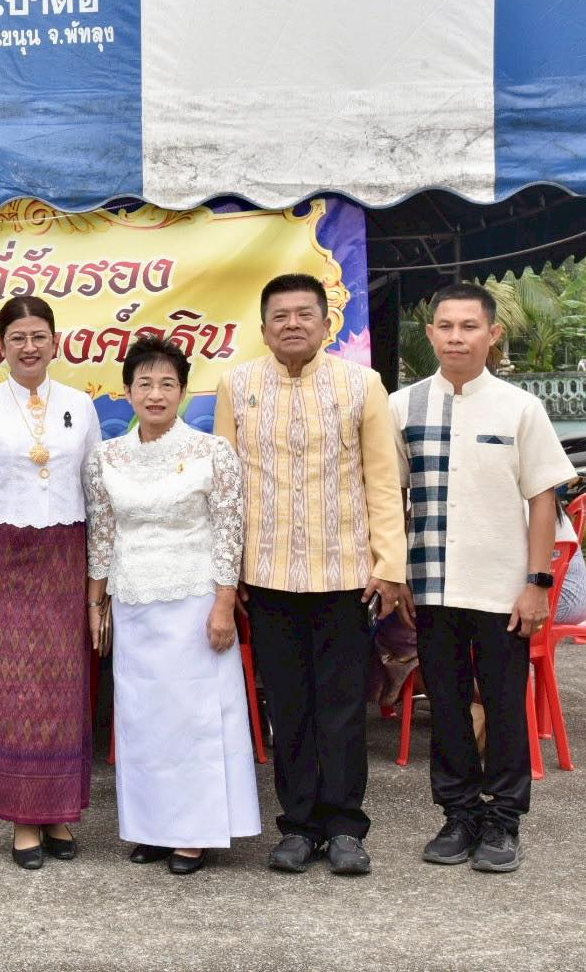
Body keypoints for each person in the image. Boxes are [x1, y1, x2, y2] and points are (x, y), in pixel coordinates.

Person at [212, 273, 407, 876]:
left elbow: (383, 480)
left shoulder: (361, 384)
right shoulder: (237, 385)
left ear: (328, 324)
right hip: (266, 576)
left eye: (304, 314)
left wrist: (390, 565)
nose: (292, 324)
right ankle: (297, 826)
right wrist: (228, 571)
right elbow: (225, 487)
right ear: (264, 327)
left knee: (344, 706)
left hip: (347, 575)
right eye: (280, 316)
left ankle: (346, 826)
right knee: (288, 706)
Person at [391, 283, 574, 873]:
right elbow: (390, 497)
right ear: (430, 334)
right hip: (432, 588)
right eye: (445, 326)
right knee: (443, 707)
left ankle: (503, 822)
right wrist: (397, 576)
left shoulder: (520, 407)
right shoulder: (403, 407)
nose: (456, 337)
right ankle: (458, 815)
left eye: (469, 326)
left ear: (492, 335)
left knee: (502, 705)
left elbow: (543, 498)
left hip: (503, 592)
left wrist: (537, 582)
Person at [86, 336, 261, 874]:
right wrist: (97, 602)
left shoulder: (213, 453)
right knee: (142, 720)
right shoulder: (105, 457)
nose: (156, 394)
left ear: (184, 391)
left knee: (195, 719)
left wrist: (224, 603)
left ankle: (194, 833)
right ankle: (152, 829)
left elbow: (230, 531)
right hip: (135, 601)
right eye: (145, 384)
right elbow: (102, 533)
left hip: (195, 602)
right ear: (127, 391)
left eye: (168, 384)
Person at [0, 295, 99, 869]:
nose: (29, 346)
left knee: (61, 693)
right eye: (18, 337)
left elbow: (94, 491)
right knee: (11, 694)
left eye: (39, 336)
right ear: (1, 346)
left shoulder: (80, 407)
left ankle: (57, 811)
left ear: (55, 342)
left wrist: (96, 578)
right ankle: (22, 820)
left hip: (63, 561)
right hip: (1, 566)